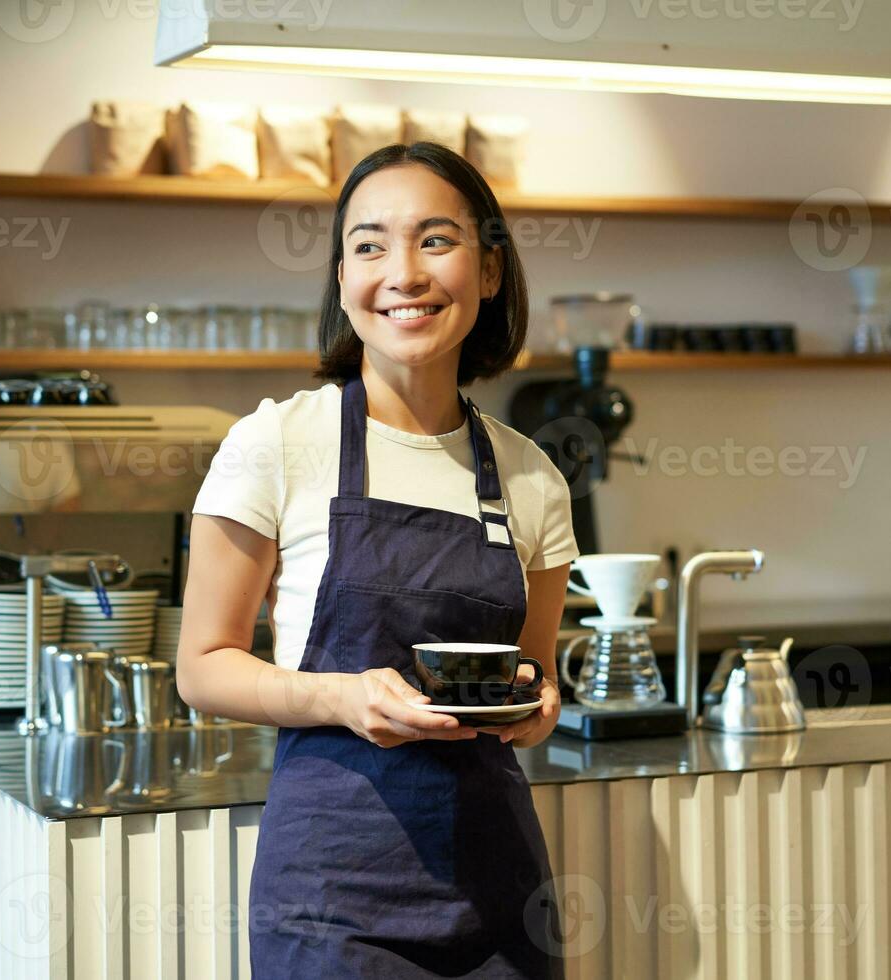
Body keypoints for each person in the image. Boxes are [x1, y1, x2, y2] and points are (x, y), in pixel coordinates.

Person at [178, 141, 578, 978]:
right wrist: (342, 697)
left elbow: (537, 678)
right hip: (331, 906)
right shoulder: (277, 443)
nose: (403, 273)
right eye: (369, 245)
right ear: (341, 278)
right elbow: (204, 666)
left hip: (500, 899)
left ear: (491, 269)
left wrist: (538, 705)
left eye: (436, 240)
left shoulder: (532, 477)